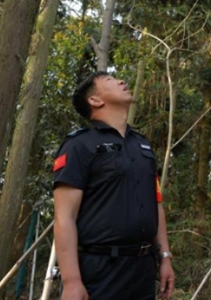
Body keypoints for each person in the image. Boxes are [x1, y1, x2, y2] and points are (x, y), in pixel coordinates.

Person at [53, 72, 175, 300]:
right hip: (100, 272)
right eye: (110, 80)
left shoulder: (143, 146)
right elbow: (64, 217)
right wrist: (71, 282)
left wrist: (165, 256)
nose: (121, 81)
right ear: (95, 100)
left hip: (143, 271)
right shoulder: (79, 145)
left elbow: (156, 205)